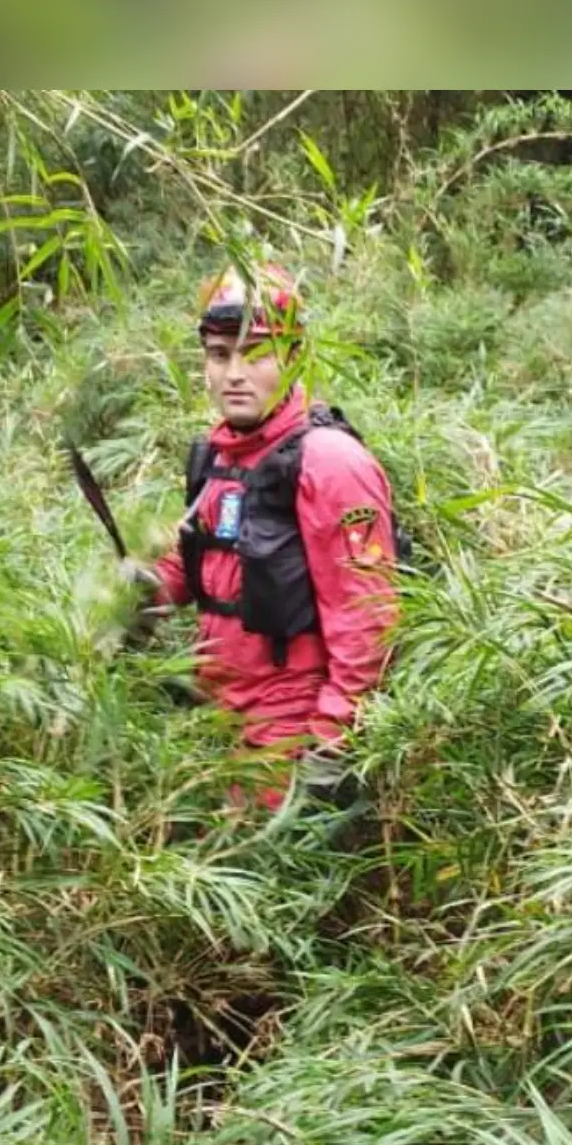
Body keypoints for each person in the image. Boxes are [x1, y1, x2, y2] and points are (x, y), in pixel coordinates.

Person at [136, 261, 399, 812]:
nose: (235, 373)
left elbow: (368, 621)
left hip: (293, 725)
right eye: (219, 354)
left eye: (255, 353)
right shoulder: (219, 454)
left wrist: (332, 740)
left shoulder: (329, 463)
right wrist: (142, 595)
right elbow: (200, 558)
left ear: (293, 357)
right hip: (219, 711)